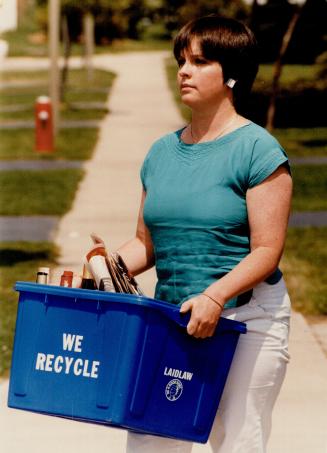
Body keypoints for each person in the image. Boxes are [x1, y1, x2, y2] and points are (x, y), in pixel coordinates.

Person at [114, 14, 292, 453]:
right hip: (174, 317)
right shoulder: (161, 152)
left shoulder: (258, 150)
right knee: (150, 442)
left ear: (231, 74)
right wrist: (104, 266)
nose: (184, 70)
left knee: (237, 442)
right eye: (181, 60)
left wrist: (215, 297)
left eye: (199, 61)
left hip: (247, 320)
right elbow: (146, 243)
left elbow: (267, 249)